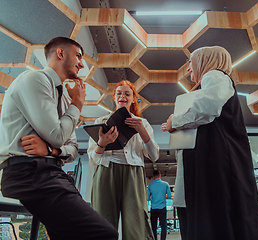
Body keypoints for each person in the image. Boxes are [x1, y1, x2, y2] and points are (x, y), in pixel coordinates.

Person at [0, 37, 118, 239]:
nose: (82, 64)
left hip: (50, 172)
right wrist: (78, 104)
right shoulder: (35, 79)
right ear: (60, 53)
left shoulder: (63, 97)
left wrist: (51, 151)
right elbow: (57, 136)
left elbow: (71, 148)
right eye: (79, 56)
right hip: (28, 173)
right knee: (105, 234)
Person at [161, 46, 258, 240]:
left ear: (204, 60)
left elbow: (207, 108)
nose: (188, 68)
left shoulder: (215, 76)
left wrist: (174, 121)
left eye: (190, 62)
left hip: (216, 165)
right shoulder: (212, 80)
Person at [88, 80, 159, 240]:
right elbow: (93, 160)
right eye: (119, 93)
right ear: (114, 97)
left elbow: (154, 156)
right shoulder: (100, 122)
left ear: (133, 98)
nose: (123, 96)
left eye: (127, 94)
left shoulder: (143, 123)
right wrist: (102, 143)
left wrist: (141, 131)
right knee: (102, 221)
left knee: (136, 225)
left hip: (133, 173)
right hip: (106, 171)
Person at [147, 170, 172, 240]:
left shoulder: (150, 186)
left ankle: (155, 239)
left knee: (153, 227)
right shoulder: (166, 184)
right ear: (160, 175)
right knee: (164, 226)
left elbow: (147, 198)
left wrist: (153, 197)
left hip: (153, 208)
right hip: (162, 208)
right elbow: (169, 196)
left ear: (153, 177)